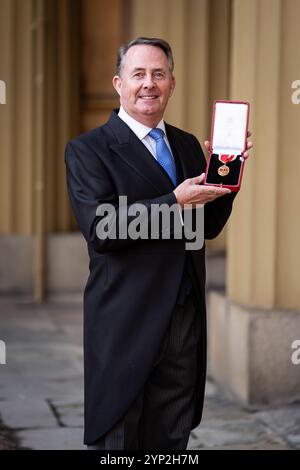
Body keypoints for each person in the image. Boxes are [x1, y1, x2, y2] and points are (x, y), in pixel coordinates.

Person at [65, 37, 252, 450]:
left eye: (159, 74)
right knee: (120, 438)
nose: (149, 84)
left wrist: (227, 182)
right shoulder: (88, 150)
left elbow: (205, 228)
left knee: (171, 437)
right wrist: (175, 200)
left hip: (183, 317)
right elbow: (103, 228)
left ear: (172, 83)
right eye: (138, 74)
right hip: (125, 320)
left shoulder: (186, 145)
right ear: (118, 83)